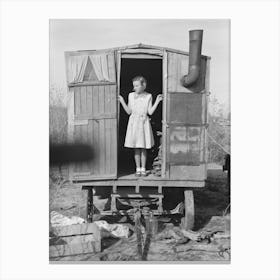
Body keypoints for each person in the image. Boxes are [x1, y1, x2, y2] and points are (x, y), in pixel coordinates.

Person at [118, 76, 162, 176]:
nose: (135, 88)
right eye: (134, 86)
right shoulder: (130, 95)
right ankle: (138, 168)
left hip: (143, 123)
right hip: (134, 123)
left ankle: (143, 168)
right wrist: (122, 101)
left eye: (137, 86)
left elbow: (150, 112)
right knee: (136, 147)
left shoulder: (148, 96)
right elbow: (129, 111)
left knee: (143, 147)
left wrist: (157, 101)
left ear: (143, 86)